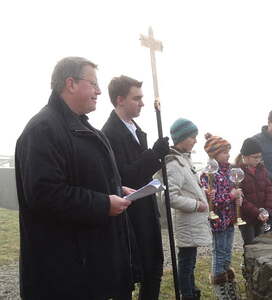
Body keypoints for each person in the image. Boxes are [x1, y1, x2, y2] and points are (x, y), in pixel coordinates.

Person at [15, 57, 135, 300]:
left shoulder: (82, 127)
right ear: (70, 83)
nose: (99, 91)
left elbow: (80, 178)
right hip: (65, 272)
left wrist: (114, 188)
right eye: (93, 84)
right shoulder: (43, 129)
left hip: (89, 266)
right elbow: (44, 194)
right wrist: (103, 203)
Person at [102, 75, 169, 300]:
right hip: (127, 216)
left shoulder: (137, 130)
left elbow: (142, 173)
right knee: (128, 275)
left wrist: (157, 158)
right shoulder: (109, 134)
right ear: (120, 100)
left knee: (154, 269)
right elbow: (122, 176)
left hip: (146, 210)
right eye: (137, 98)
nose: (142, 103)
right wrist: (154, 154)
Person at [156, 118, 211, 300]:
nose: (195, 140)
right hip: (187, 223)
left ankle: (191, 293)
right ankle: (187, 295)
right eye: (192, 137)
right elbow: (170, 197)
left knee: (190, 263)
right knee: (186, 264)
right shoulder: (173, 164)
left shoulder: (184, 160)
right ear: (181, 138)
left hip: (192, 223)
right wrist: (197, 204)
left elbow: (188, 188)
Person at [201, 133, 242, 300]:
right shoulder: (208, 175)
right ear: (214, 154)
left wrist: (239, 196)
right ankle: (221, 289)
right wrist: (231, 196)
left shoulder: (229, 172)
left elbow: (232, 191)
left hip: (229, 219)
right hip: (217, 220)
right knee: (219, 252)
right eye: (225, 152)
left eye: (228, 151)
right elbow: (212, 201)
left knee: (227, 252)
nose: (228, 154)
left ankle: (228, 285)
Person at [235, 138, 272, 245]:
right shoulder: (237, 172)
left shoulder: (262, 170)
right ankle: (246, 262)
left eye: (260, 157)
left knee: (261, 244)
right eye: (255, 157)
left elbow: (269, 192)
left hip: (261, 217)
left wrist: (267, 211)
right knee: (250, 244)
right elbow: (240, 199)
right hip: (247, 218)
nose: (258, 159)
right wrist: (256, 212)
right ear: (245, 156)